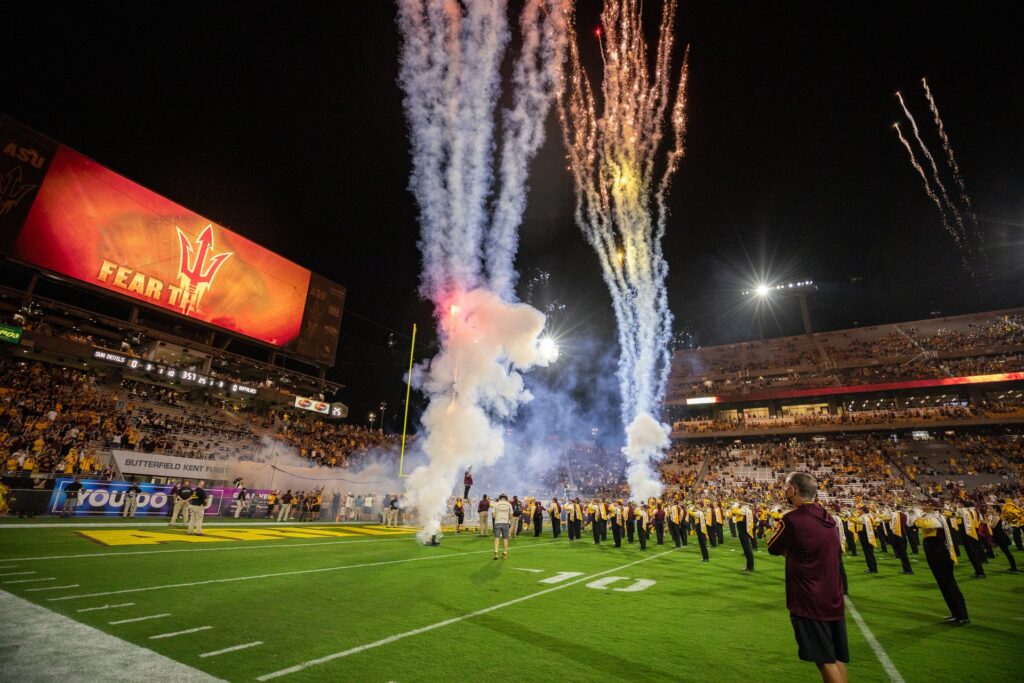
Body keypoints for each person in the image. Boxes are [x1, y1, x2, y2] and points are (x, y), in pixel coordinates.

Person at [767, 472, 848, 683]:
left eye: (786, 487)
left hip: (809, 599)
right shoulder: (827, 516)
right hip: (833, 597)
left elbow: (772, 547)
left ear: (793, 490)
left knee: (824, 660)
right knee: (837, 656)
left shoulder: (792, 519)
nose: (785, 491)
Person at [915, 500, 969, 624]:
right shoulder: (931, 516)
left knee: (949, 584)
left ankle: (962, 615)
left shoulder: (935, 518)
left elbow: (921, 524)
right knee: (943, 585)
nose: (922, 506)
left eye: (925, 504)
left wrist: (918, 514)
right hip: (934, 553)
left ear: (931, 506)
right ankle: (955, 613)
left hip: (939, 553)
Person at [491, 493, 513, 560]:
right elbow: (511, 516)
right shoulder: (509, 504)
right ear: (506, 498)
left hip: (497, 522)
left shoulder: (496, 504)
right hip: (505, 523)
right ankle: (504, 554)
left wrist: (498, 516)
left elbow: (493, 515)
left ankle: (496, 553)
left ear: (500, 498)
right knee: (505, 539)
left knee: (496, 538)